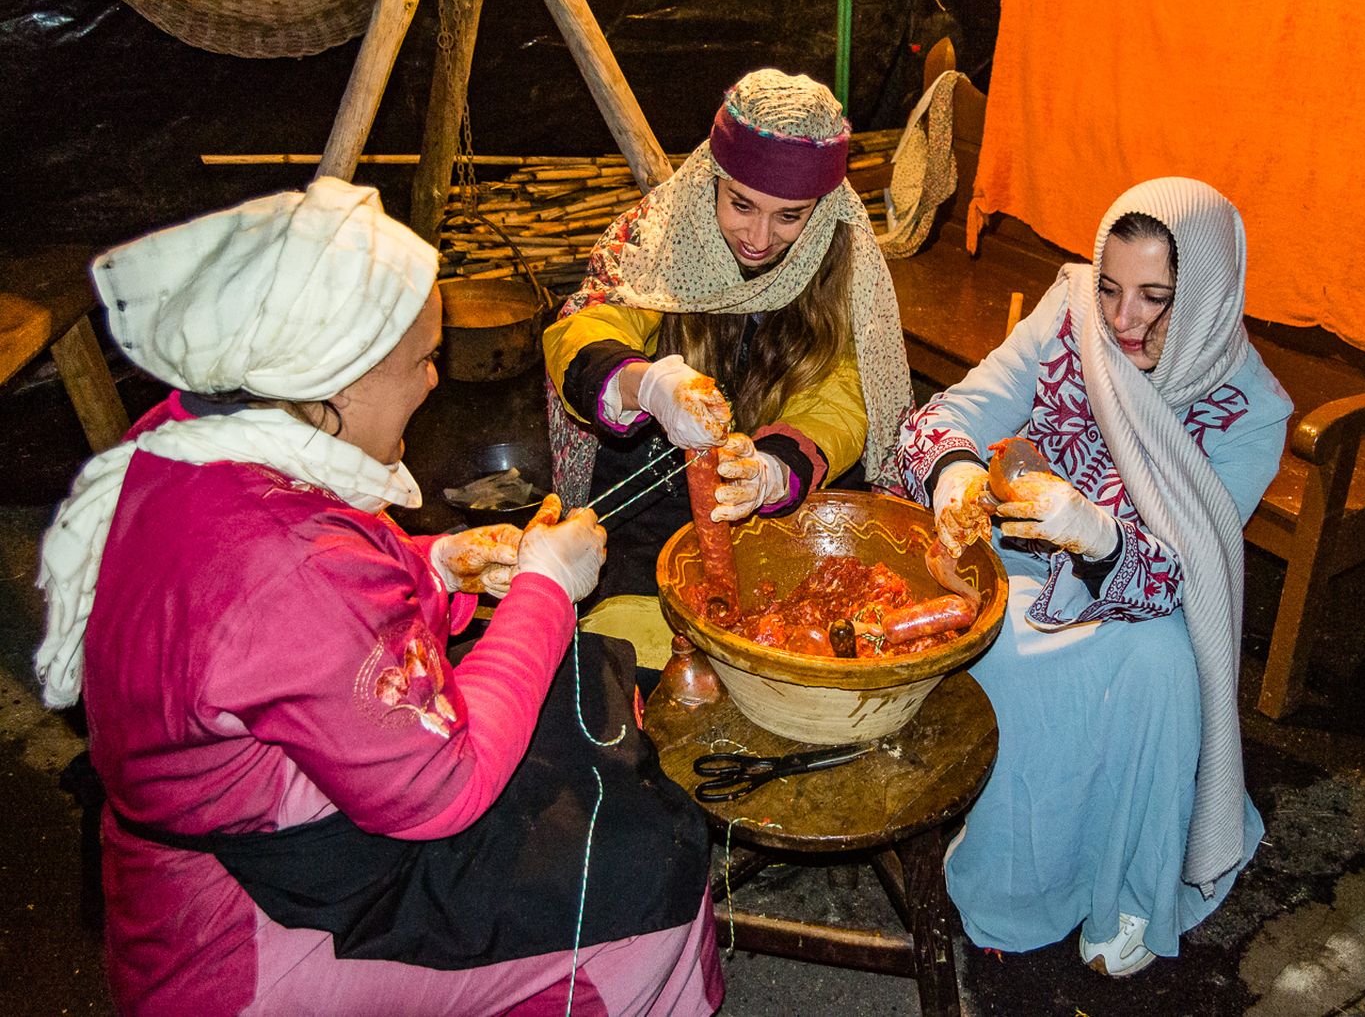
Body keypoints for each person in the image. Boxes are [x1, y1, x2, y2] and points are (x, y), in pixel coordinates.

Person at [33, 178, 722, 1016]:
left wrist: (438, 566)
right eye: (421, 360)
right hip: (243, 935)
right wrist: (546, 587)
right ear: (336, 382)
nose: (435, 382)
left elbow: (295, 619)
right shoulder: (291, 567)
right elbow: (446, 785)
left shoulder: (192, 435)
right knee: (649, 889)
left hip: (215, 850)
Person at [896, 178, 1293, 975]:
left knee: (1162, 665)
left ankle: (1129, 889)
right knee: (990, 631)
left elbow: (1188, 574)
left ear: (1209, 295)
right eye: (1110, 287)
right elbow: (953, 414)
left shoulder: (1250, 412)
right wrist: (952, 471)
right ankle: (1013, 875)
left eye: (1156, 298)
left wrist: (1100, 537)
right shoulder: (1068, 316)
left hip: (1138, 600)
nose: (1121, 320)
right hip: (1013, 564)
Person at [543, 69, 914, 614]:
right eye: (741, 205)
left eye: (789, 216)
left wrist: (775, 468)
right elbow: (591, 324)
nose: (760, 239)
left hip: (776, 505)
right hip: (652, 493)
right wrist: (646, 385)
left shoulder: (840, 269)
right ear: (711, 180)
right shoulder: (663, 235)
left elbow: (844, 393)